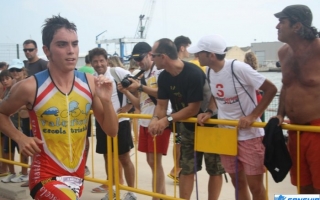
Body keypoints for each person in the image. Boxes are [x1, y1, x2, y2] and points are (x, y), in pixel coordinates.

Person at [0, 15, 118, 199]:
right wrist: (19, 137)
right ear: (47, 50)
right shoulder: (30, 86)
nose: (71, 51)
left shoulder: (89, 82)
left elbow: (111, 130)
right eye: (62, 44)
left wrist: (107, 101)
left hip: (76, 177)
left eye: (75, 44)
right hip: (45, 175)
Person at [188, 34, 277, 200]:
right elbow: (216, 95)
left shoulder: (238, 68)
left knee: (255, 187)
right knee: (238, 183)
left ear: (211, 55)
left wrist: (252, 116)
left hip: (249, 136)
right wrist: (209, 111)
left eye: (199, 53)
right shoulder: (209, 71)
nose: (196, 56)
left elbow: (271, 89)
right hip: (226, 135)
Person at [148, 38, 225, 200]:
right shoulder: (163, 78)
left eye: (153, 55)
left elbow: (193, 108)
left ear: (163, 56)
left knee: (215, 169)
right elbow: (161, 106)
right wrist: (155, 118)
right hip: (188, 128)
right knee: (186, 168)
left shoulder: (193, 73)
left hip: (210, 125)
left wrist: (166, 120)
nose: (151, 59)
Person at [274, 5, 320, 194]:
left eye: (282, 22)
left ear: (297, 26)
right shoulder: (283, 53)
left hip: (317, 129)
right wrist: (279, 115)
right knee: (303, 187)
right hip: (295, 130)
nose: (277, 26)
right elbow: (286, 86)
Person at [118, 42, 171, 200]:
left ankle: (156, 197)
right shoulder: (141, 74)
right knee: (151, 161)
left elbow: (163, 93)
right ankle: (162, 197)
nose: (139, 63)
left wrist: (140, 87)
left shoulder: (159, 71)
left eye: (140, 58)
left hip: (159, 121)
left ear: (149, 54)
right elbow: (138, 105)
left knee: (155, 162)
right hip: (145, 121)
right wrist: (126, 92)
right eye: (136, 60)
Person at [89, 47, 136, 200]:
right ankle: (113, 190)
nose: (99, 64)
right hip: (102, 123)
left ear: (106, 60)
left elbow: (136, 85)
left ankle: (131, 192)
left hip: (120, 121)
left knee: (124, 157)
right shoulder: (91, 77)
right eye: (95, 61)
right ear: (91, 63)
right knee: (108, 157)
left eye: (101, 60)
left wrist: (129, 106)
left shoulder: (117, 72)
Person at [0, 67, 19, 183]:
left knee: (22, 151)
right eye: (2, 80)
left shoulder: (17, 90)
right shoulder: (6, 91)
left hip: (19, 125)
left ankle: (25, 173)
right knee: (8, 151)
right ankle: (12, 173)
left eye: (7, 78)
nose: (5, 81)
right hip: (8, 126)